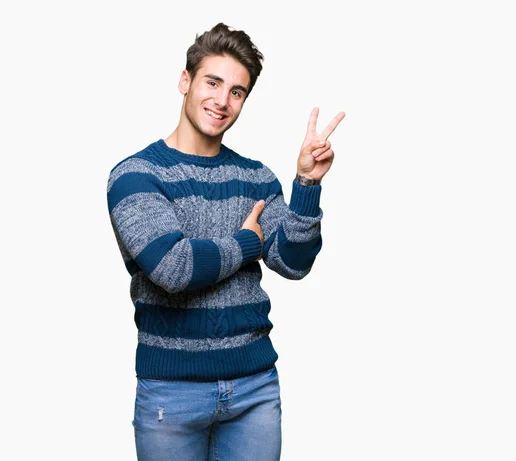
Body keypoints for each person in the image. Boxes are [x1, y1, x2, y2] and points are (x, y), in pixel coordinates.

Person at [106, 22, 344, 461]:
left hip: (254, 388)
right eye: (213, 82)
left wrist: (307, 185)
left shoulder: (256, 176)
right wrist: (246, 243)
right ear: (185, 81)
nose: (222, 100)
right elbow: (173, 268)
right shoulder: (136, 175)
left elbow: (292, 263)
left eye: (237, 91)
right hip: (171, 394)